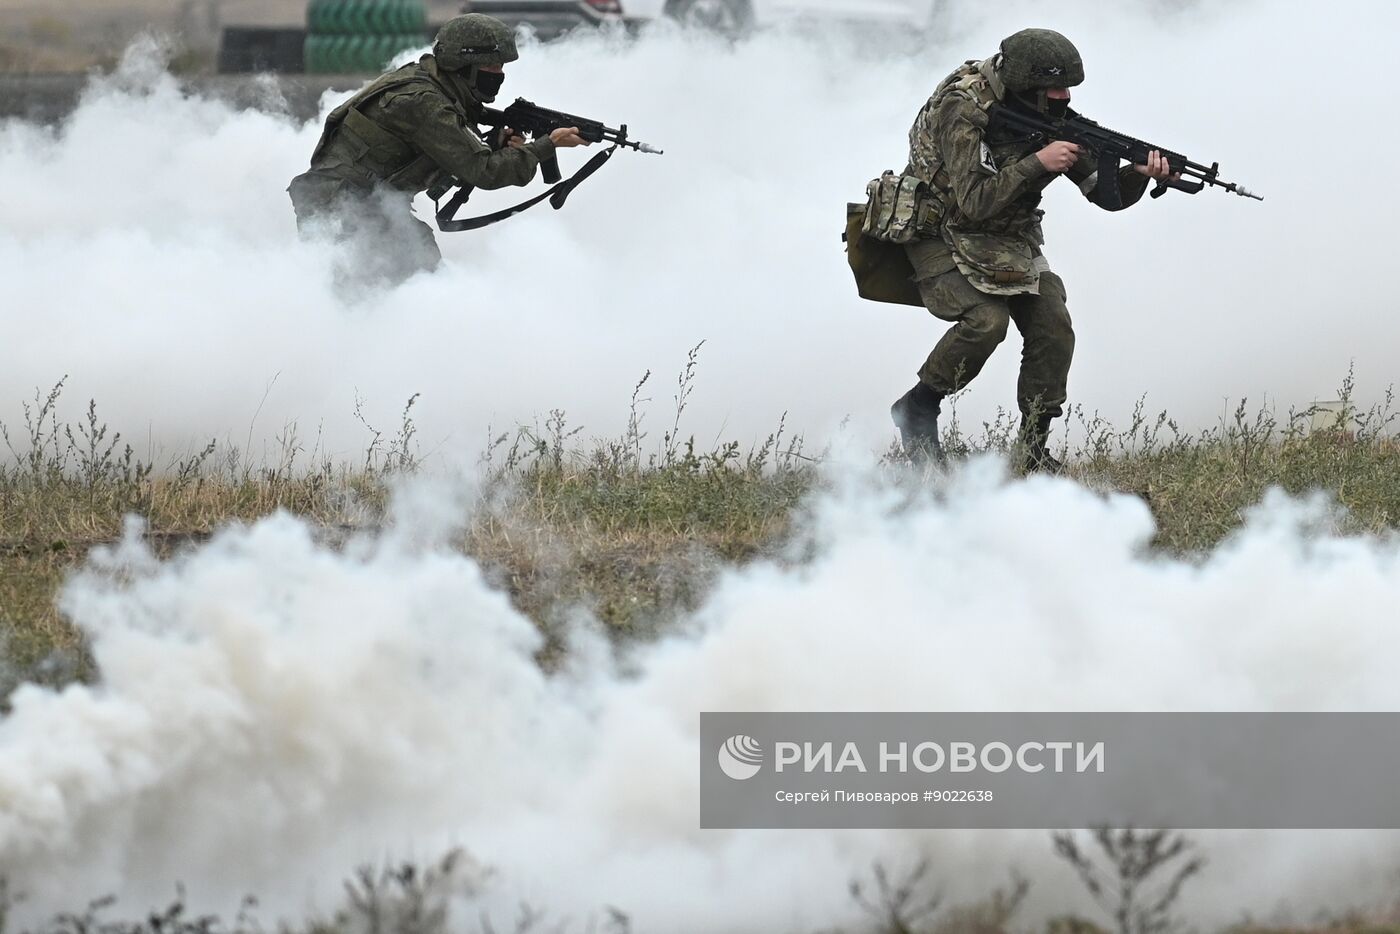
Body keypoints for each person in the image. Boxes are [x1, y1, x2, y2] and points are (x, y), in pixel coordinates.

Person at [890, 28, 1176, 472]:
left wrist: (1140, 172)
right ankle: (918, 408)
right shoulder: (963, 108)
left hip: (1006, 237)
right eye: (1053, 89)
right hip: (938, 229)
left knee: (1053, 324)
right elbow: (974, 200)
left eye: (1066, 89)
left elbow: (1105, 193)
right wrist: (1038, 163)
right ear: (1025, 84)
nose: (1064, 98)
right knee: (986, 322)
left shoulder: (1045, 115)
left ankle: (1034, 448)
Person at [288, 13, 590, 286]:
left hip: (358, 204)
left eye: (500, 67)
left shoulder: (433, 83)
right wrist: (545, 145)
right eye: (490, 66)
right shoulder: (425, 102)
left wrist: (495, 143)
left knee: (412, 278)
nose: (498, 74)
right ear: (463, 65)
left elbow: (450, 144)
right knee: (411, 284)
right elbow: (485, 172)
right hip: (342, 211)